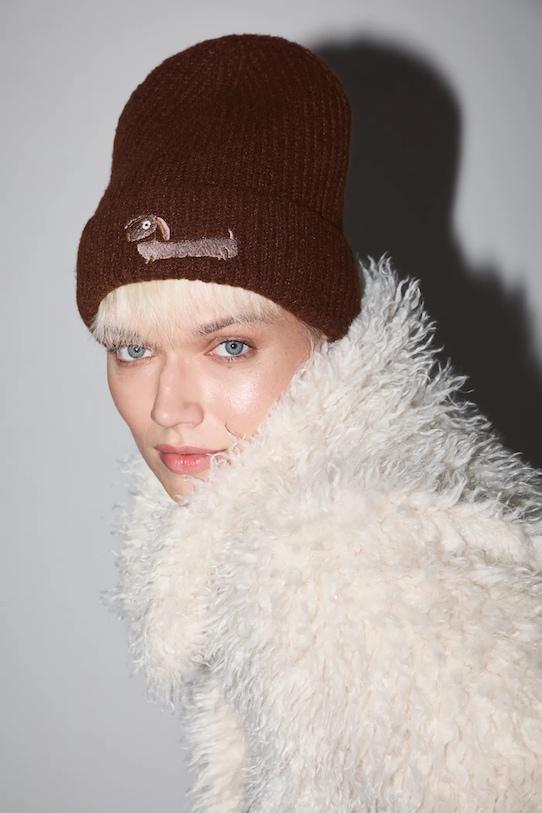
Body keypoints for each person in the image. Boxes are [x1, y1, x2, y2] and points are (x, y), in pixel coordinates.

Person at [75, 32, 542, 813]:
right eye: (133, 349)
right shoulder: (281, 531)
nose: (167, 407)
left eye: (229, 345)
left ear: (324, 334)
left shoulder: (348, 571)